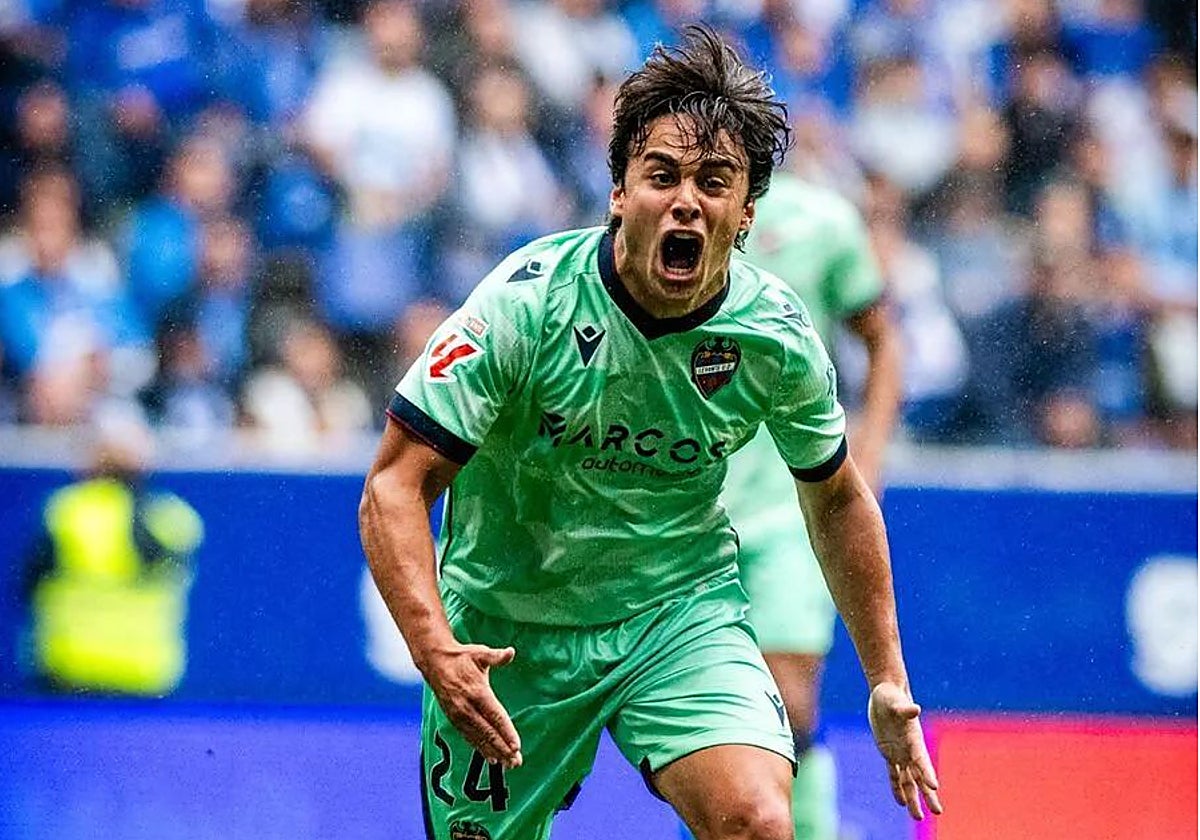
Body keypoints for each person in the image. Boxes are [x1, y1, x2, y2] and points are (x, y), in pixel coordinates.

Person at [359, 25, 940, 840]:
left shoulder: (775, 335)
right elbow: (393, 483)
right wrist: (433, 646)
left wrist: (885, 676)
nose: (685, 201)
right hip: (506, 632)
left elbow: (839, 500)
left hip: (677, 613)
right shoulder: (523, 309)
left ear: (745, 214)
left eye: (714, 182)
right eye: (660, 175)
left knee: (756, 820)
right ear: (619, 193)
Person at [719, 170, 903, 840]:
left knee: (786, 707)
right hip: (682, 511)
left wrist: (870, 455)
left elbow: (882, 338)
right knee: (709, 735)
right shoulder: (664, 221)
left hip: (789, 508)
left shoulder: (823, 222)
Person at [21, 410, 203, 696]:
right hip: (146, 676)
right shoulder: (175, 518)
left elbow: (27, 586)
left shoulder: (68, 512)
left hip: (71, 673)